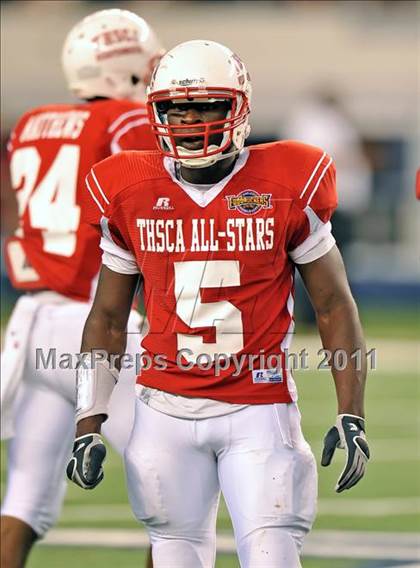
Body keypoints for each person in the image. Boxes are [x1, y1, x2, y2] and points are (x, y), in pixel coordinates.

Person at [67, 40, 370, 568]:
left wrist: (352, 413)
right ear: (155, 112)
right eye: (175, 108)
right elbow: (110, 318)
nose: (188, 119)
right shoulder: (129, 187)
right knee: (175, 554)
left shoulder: (286, 179)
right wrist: (88, 421)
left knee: (273, 555)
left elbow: (333, 306)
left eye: (206, 106)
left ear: (239, 108)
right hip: (163, 412)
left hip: (258, 409)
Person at [1, 9, 163, 568]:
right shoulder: (123, 123)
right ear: (126, 68)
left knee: (24, 495)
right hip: (94, 319)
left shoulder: (31, 122)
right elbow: (148, 208)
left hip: (32, 322)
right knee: (179, 483)